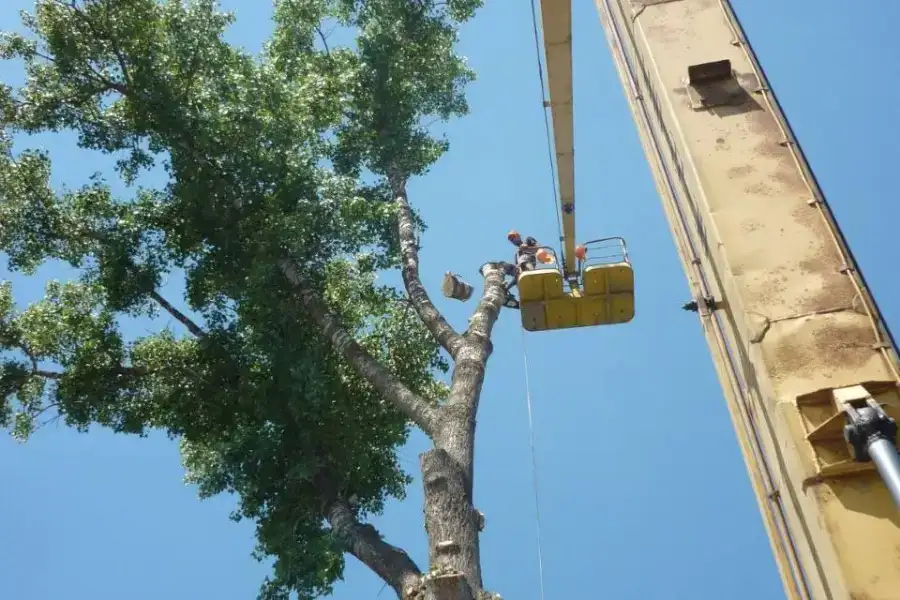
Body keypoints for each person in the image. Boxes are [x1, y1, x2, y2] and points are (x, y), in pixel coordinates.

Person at [503, 230, 544, 309]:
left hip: (529, 264)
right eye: (511, 240)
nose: (513, 241)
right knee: (511, 268)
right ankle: (514, 302)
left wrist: (527, 247)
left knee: (523, 259)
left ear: (518, 236)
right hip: (521, 273)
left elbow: (539, 248)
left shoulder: (528, 240)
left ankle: (532, 276)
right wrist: (507, 288)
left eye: (513, 237)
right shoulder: (517, 255)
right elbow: (516, 275)